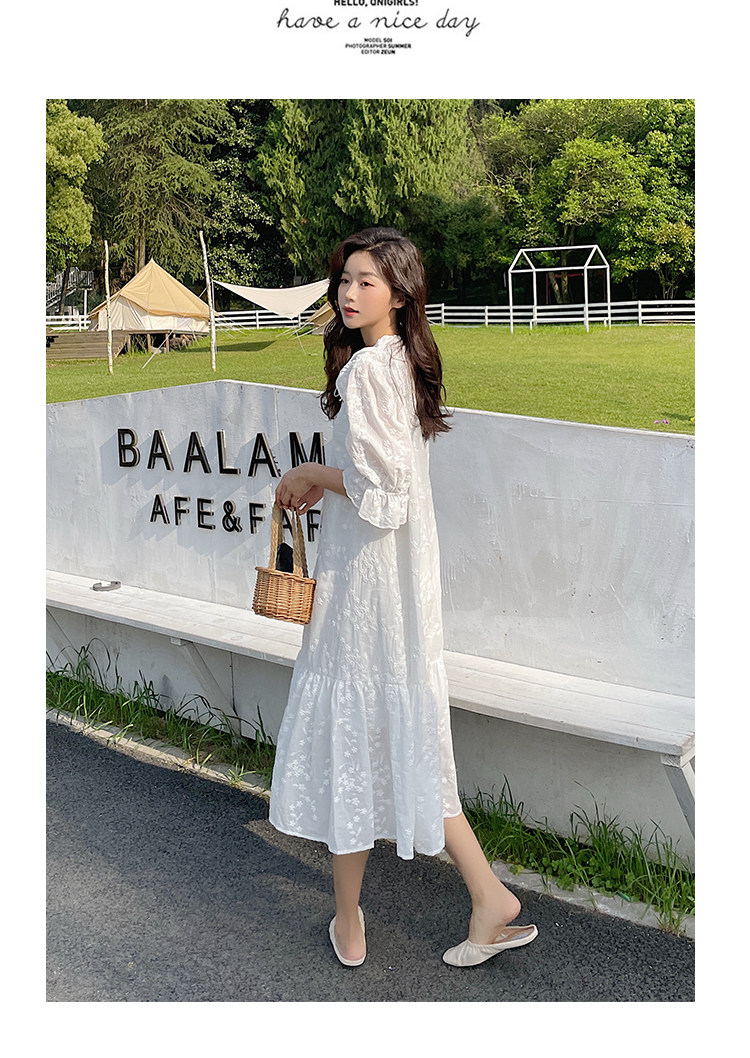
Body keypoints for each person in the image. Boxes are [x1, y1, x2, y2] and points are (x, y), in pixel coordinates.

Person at [269, 227, 537, 968]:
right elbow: (392, 485)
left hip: (367, 587)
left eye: (366, 281)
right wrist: (331, 482)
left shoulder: (367, 371)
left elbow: (382, 494)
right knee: (404, 737)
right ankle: (488, 896)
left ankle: (351, 920)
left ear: (399, 291)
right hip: (399, 585)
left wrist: (313, 475)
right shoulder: (400, 363)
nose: (349, 293)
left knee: (355, 742)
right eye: (344, 280)